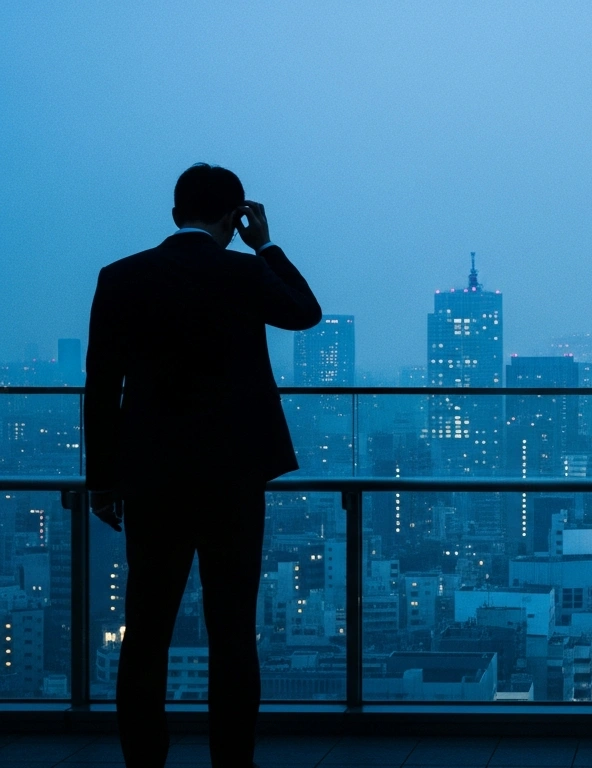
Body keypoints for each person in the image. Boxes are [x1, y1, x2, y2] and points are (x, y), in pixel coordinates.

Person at [85, 163, 322, 767]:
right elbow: (305, 312)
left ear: (173, 214)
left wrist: (103, 480)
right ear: (234, 215)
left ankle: (144, 759)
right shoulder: (245, 273)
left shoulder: (121, 278)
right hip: (232, 480)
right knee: (233, 633)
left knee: (146, 633)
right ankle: (232, 761)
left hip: (151, 479)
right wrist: (265, 243)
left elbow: (100, 387)